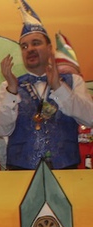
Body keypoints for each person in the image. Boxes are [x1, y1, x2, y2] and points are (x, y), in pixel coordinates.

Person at [0, 0, 93, 170]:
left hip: (65, 170)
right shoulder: (8, 86)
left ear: (49, 48)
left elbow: (90, 118)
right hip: (21, 172)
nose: (30, 49)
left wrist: (59, 88)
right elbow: (1, 130)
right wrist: (12, 91)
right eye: (24, 46)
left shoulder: (73, 81)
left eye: (36, 43)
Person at [53, 32, 92, 168]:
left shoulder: (90, 110)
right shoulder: (46, 110)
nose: (64, 82)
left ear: (80, 77)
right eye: (59, 77)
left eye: (68, 75)